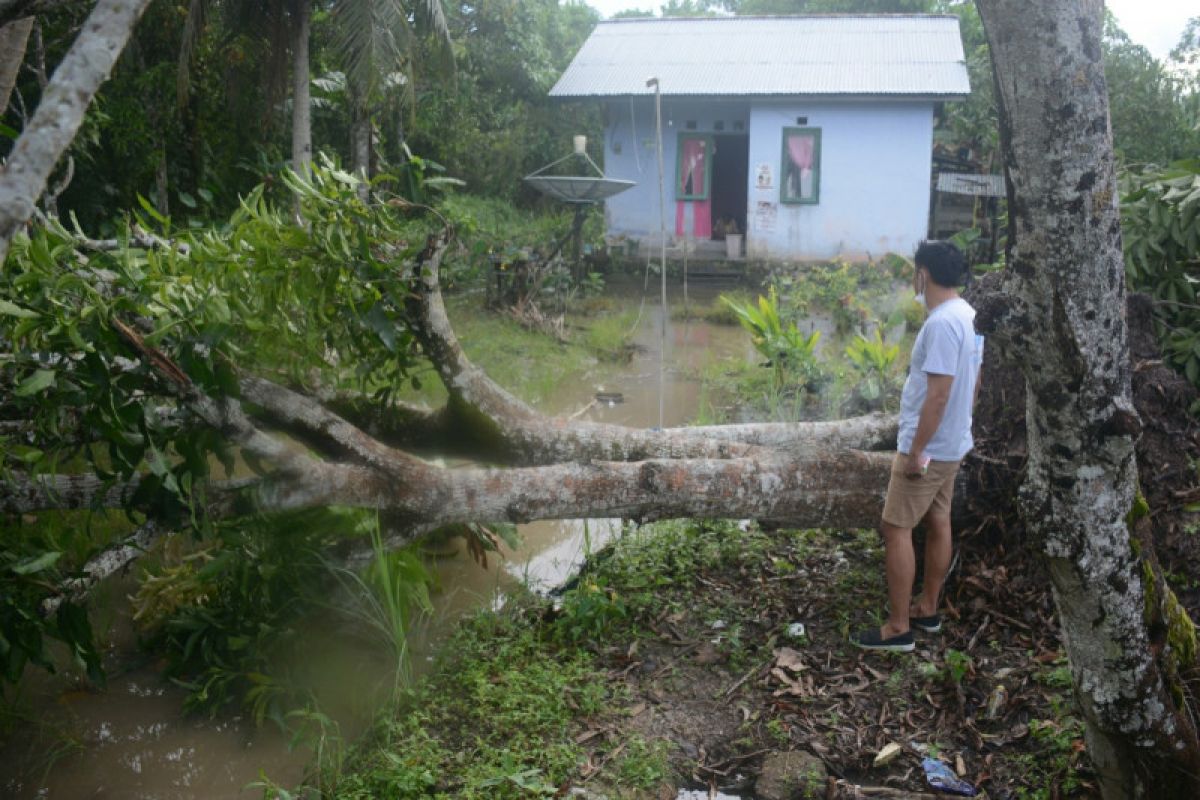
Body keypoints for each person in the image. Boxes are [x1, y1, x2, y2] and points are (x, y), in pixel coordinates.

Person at [850, 241, 983, 652]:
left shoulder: (942, 324)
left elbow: (938, 395)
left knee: (896, 528)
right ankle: (927, 608)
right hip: (953, 444)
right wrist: (960, 430)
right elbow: (973, 384)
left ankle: (898, 628)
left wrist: (916, 451)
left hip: (930, 450)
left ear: (923, 275)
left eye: (915, 273)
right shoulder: (970, 315)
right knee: (938, 519)